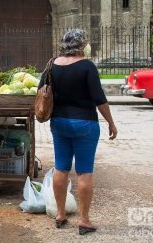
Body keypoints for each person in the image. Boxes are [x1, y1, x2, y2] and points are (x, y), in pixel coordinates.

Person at [38, 29, 118, 235]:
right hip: (85, 124)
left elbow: (41, 91)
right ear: (81, 45)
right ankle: (84, 220)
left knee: (61, 167)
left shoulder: (51, 65)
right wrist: (111, 122)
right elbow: (99, 99)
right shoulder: (87, 66)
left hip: (59, 123)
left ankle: (60, 215)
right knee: (84, 171)